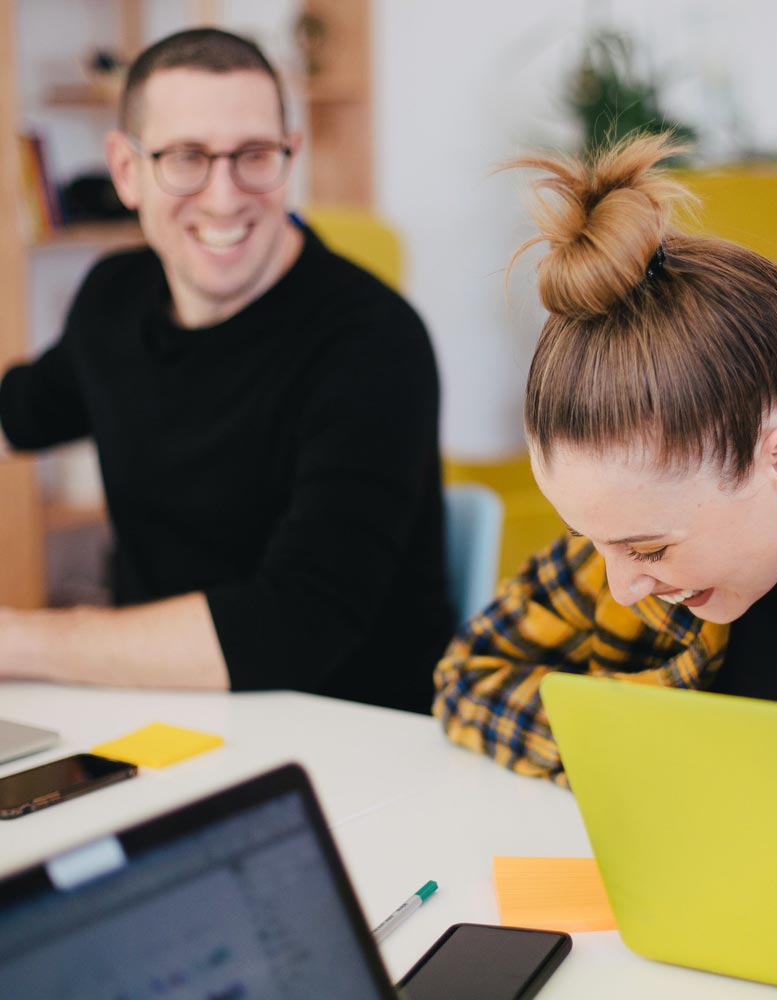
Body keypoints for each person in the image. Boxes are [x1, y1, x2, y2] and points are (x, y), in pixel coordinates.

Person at [433, 133, 777, 783]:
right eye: (593, 540)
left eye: (648, 550)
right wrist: (657, 749)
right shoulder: (633, 524)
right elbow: (469, 674)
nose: (621, 586)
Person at [0, 28, 451, 713]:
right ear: (126, 170)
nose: (222, 198)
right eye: (185, 158)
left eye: (253, 156)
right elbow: (23, 410)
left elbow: (298, 623)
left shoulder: (373, 342)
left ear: (290, 156)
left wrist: (17, 642)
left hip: (346, 737)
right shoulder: (114, 300)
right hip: (155, 715)